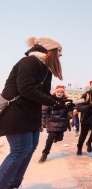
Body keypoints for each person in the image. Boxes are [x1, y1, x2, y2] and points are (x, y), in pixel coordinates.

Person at [0, 37, 65, 188]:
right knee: (20, 150)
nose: (61, 55)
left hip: (31, 114)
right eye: (59, 51)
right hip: (16, 113)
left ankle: (12, 185)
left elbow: (45, 93)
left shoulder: (46, 70)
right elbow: (26, 88)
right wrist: (52, 101)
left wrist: (58, 102)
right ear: (48, 51)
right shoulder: (29, 62)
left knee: (29, 149)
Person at [38, 85, 73, 163]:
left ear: (63, 93)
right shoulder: (50, 100)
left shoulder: (66, 101)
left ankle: (58, 137)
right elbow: (43, 112)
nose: (59, 93)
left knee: (60, 138)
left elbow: (69, 109)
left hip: (62, 122)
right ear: (55, 92)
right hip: (51, 121)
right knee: (50, 139)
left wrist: (70, 114)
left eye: (61, 92)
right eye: (58, 91)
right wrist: (42, 123)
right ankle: (44, 154)